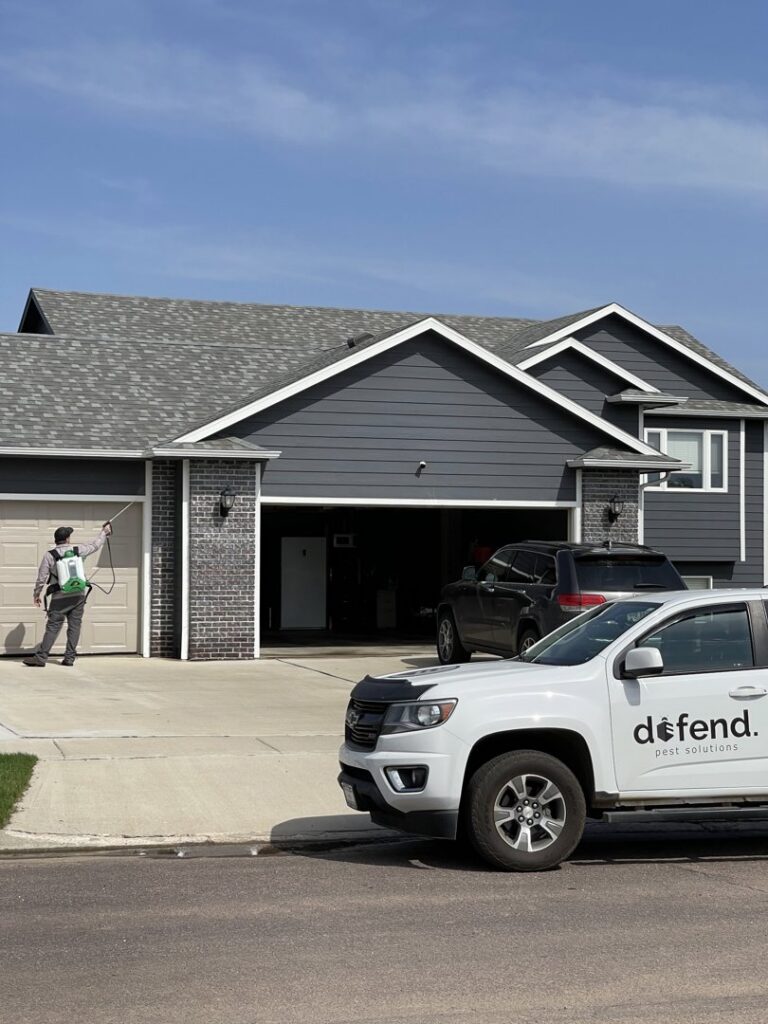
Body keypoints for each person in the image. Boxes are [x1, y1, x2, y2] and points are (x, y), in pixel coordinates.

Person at [23, 522, 112, 668]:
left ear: (55, 540)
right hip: (78, 596)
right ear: (68, 539)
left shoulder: (49, 555)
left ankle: (41, 658)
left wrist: (37, 594)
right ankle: (69, 659)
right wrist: (104, 532)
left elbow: (41, 578)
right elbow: (96, 545)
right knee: (74, 626)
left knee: (53, 627)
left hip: (59, 598)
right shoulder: (78, 550)